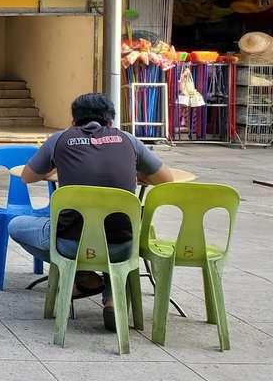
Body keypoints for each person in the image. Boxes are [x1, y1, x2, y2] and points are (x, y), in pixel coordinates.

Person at [9, 93, 174, 332]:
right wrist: (137, 174)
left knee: (16, 225)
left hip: (70, 244)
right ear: (111, 121)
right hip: (124, 246)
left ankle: (84, 276)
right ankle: (110, 299)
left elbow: (27, 176)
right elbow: (165, 179)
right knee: (112, 237)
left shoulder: (60, 139)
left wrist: (54, 167)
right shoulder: (128, 140)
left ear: (74, 121)